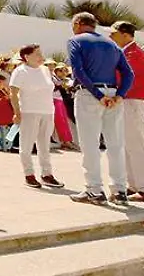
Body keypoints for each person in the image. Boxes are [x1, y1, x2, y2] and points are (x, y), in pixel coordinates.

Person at [68, 13, 135, 205]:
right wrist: (119, 95)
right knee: (115, 145)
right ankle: (120, 190)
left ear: (79, 24)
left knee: (90, 145)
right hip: (113, 95)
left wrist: (98, 95)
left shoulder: (75, 41)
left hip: (90, 94)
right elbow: (128, 74)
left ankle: (94, 190)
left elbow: (79, 71)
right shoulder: (111, 44)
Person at [9, 44, 64, 189]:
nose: (41, 57)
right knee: (26, 145)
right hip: (29, 112)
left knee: (44, 145)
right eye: (37, 54)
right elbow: (13, 93)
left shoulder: (45, 70)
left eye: (41, 53)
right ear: (27, 57)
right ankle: (29, 175)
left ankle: (47, 174)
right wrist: (17, 112)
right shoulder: (20, 71)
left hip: (47, 112)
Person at [113, 23, 144, 199]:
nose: (111, 37)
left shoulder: (134, 54)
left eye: (114, 33)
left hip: (132, 101)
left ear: (125, 35)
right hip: (127, 102)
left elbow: (120, 76)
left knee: (136, 144)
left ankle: (142, 186)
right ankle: (133, 184)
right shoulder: (127, 53)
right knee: (127, 145)